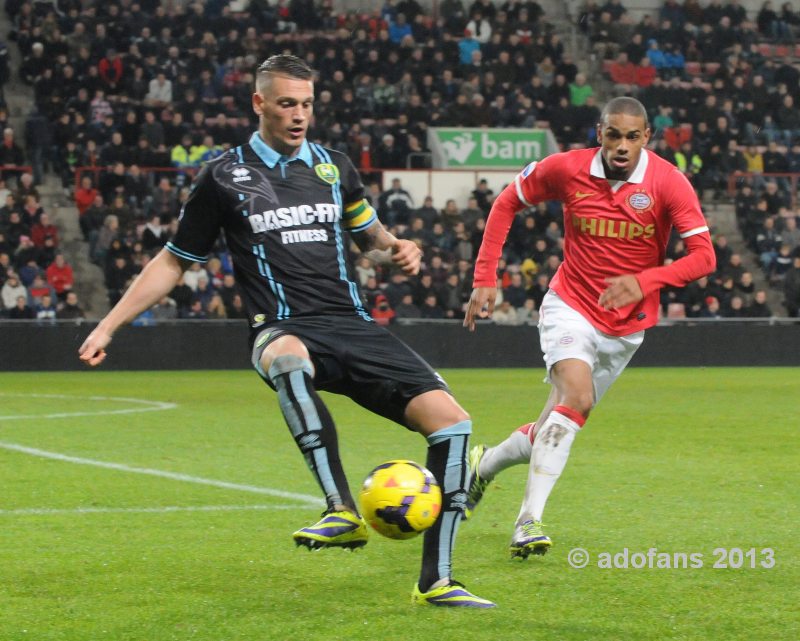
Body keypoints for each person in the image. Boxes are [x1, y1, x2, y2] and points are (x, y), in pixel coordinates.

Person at [78, 55, 494, 609]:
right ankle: (340, 509)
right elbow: (175, 261)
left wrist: (398, 250)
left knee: (454, 425)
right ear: (259, 103)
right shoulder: (223, 176)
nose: (299, 115)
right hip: (281, 327)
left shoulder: (334, 167)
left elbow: (369, 235)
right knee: (289, 359)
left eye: (307, 104)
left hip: (353, 324)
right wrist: (109, 324)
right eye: (287, 104)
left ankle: (436, 581)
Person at [462, 97, 716, 559]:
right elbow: (506, 203)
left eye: (631, 137)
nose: (621, 146)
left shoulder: (668, 182)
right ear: (599, 133)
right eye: (613, 135)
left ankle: (482, 467)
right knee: (575, 397)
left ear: (646, 138)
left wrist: (644, 280)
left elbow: (705, 258)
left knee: (553, 425)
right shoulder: (566, 168)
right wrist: (485, 276)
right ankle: (527, 522)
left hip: (626, 328)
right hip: (570, 305)